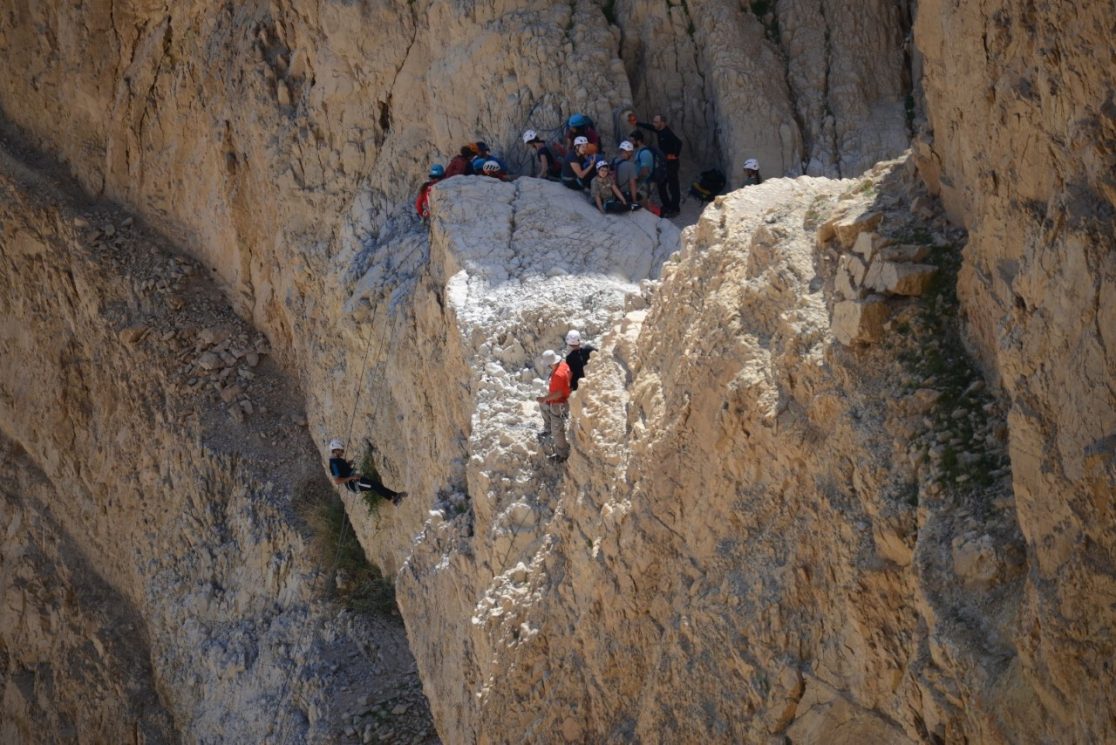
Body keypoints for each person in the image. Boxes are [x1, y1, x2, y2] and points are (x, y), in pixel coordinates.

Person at [327, 439, 407, 504]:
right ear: (336, 450)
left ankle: (396, 495)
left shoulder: (337, 460)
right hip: (353, 483)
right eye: (341, 450)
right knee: (374, 485)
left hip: (355, 479)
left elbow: (343, 470)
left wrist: (348, 464)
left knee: (376, 484)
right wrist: (352, 477)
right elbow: (337, 481)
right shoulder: (333, 463)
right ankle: (393, 500)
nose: (342, 452)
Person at [635, 113, 683, 217]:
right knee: (661, 185)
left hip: (672, 163)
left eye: (656, 122)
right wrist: (637, 123)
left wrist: (674, 155)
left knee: (673, 186)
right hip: (665, 163)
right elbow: (651, 127)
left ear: (663, 123)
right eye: (654, 121)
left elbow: (679, 143)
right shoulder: (659, 129)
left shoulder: (667, 133)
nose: (654, 123)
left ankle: (675, 209)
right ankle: (667, 206)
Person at [535, 350, 571, 462]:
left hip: (561, 402)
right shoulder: (563, 364)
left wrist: (545, 398)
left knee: (557, 429)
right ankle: (547, 428)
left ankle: (562, 454)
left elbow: (559, 393)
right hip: (560, 398)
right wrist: (545, 400)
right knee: (543, 406)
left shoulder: (557, 375)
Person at [615, 140, 647, 210]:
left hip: (616, 193)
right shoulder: (631, 166)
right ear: (629, 152)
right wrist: (634, 201)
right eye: (631, 152)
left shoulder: (614, 161)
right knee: (644, 194)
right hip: (625, 194)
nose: (632, 153)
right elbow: (632, 184)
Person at [628, 130, 656, 210]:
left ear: (639, 141)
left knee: (643, 206)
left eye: (632, 141)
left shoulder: (645, 153)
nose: (631, 143)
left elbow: (645, 171)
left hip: (644, 184)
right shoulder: (640, 151)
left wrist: (636, 180)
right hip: (642, 183)